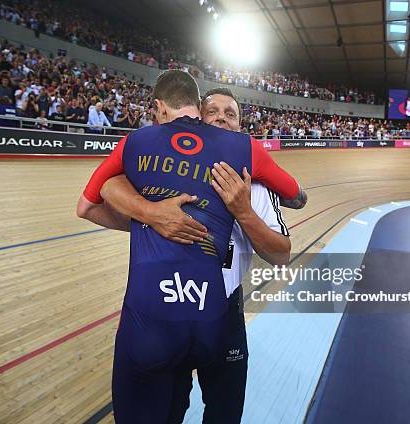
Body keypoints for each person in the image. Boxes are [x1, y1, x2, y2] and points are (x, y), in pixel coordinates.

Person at [76, 70, 303, 423]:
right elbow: (106, 190)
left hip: (225, 308)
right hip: (171, 305)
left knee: (224, 410)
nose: (222, 119)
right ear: (198, 116)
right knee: (171, 407)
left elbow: (282, 253)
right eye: (214, 112)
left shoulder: (257, 187)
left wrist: (243, 212)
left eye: (232, 114)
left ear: (240, 126)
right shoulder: (167, 161)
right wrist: (150, 215)